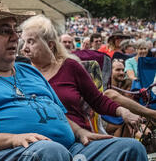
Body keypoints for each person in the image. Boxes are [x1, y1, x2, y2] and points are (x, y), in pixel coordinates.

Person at [0, 0, 153, 161]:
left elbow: (56, 111)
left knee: (129, 150)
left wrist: (79, 132)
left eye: (16, 30)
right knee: (50, 154)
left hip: (68, 155)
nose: (15, 37)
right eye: (5, 31)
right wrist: (11, 139)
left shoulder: (29, 70)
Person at [21, 15, 156, 138]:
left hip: (78, 139)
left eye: (31, 42)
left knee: (132, 148)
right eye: (24, 42)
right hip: (39, 141)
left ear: (50, 45)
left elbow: (97, 100)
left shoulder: (70, 67)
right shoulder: (22, 74)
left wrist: (123, 111)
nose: (24, 48)